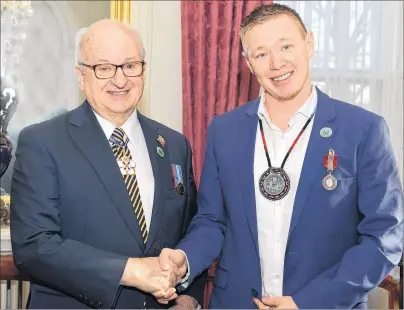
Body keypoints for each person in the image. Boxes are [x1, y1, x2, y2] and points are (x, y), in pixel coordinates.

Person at [159, 3, 404, 309]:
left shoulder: (365, 130)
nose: (276, 63)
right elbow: (211, 221)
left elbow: (384, 238)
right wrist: (185, 258)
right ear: (248, 63)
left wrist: (308, 303)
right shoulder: (224, 130)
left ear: (309, 44)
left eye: (286, 46)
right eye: (261, 53)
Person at [10, 19, 206, 309]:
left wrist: (190, 295)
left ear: (143, 69)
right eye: (103, 68)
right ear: (80, 76)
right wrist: (131, 271)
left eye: (129, 65)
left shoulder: (175, 145)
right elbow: (34, 246)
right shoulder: (42, 142)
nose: (119, 80)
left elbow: (193, 231)